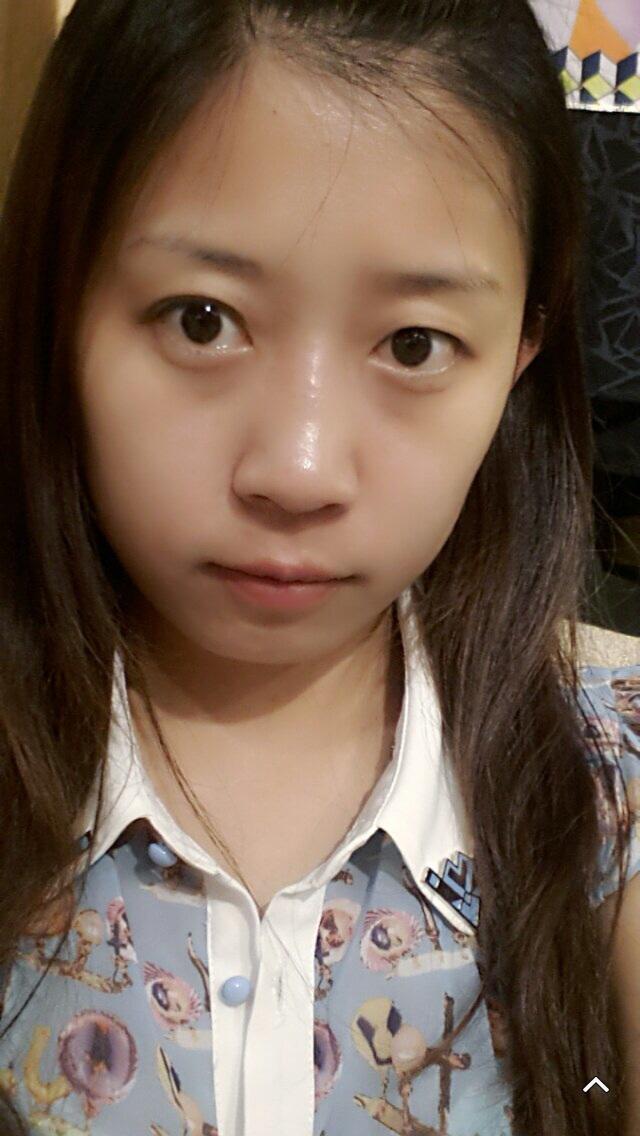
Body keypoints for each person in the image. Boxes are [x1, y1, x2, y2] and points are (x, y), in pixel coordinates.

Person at [0, 2, 638, 1134]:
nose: (297, 472)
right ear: (57, 303)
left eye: (413, 344)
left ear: (521, 350)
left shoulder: (608, 791)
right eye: (201, 320)